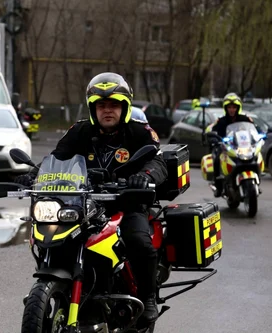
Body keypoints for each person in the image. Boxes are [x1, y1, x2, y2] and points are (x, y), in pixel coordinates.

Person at [14, 72, 168, 324]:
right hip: (84, 202)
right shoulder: (80, 130)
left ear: (125, 106)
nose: (107, 110)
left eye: (114, 105)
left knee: (137, 240)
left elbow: (157, 160)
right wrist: (33, 175)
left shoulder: (140, 133)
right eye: (101, 105)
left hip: (127, 202)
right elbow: (58, 157)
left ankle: (148, 297)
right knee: (56, 234)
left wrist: (145, 176)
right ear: (93, 108)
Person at [209, 93, 254, 197]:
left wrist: (260, 133)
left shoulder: (245, 119)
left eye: (234, 107)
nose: (232, 109)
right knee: (217, 159)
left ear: (238, 107)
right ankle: (218, 186)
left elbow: (254, 129)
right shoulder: (221, 121)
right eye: (229, 107)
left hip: (242, 146)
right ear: (226, 108)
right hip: (226, 147)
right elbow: (213, 130)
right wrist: (213, 137)